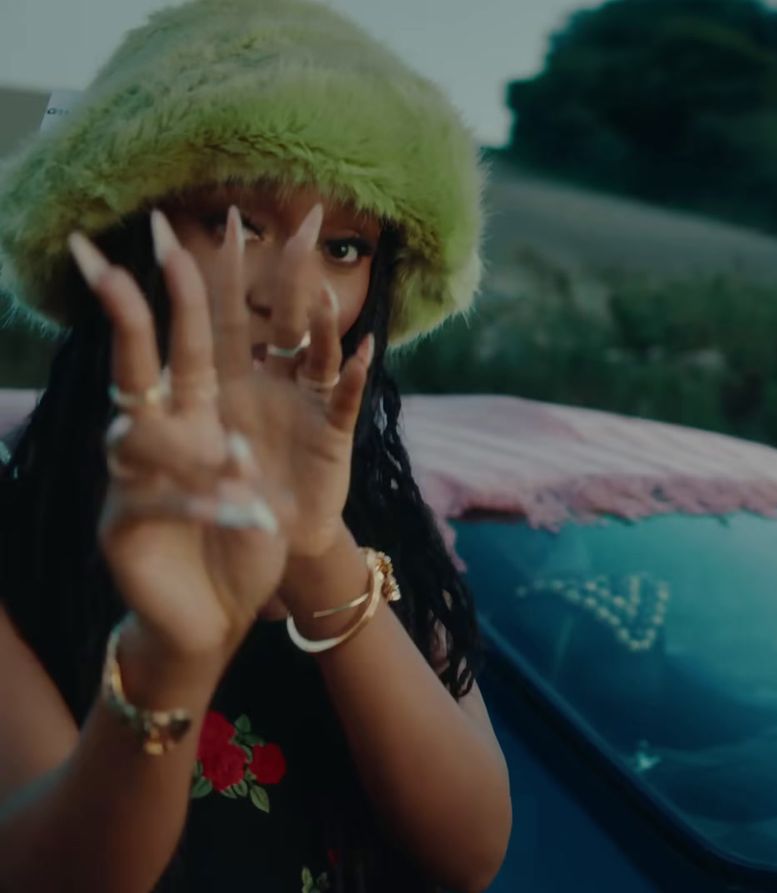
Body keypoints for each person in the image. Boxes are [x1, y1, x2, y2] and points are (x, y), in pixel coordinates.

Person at [0, 1, 512, 891]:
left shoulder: (382, 525)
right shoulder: (17, 535)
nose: (296, 294)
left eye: (346, 246)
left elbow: (470, 850)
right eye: (237, 223)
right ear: (127, 241)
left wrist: (316, 551)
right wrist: (171, 653)